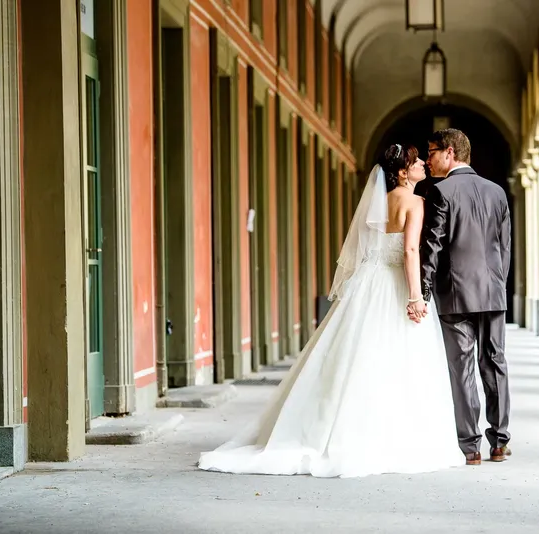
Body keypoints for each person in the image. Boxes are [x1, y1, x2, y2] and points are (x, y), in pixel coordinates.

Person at [198, 144, 465, 478]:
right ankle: (390, 436)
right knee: (399, 358)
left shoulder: (378, 204)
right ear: (401, 172)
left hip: (368, 284)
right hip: (396, 284)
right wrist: (415, 296)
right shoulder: (415, 203)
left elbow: (369, 249)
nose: (424, 163)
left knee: (356, 355)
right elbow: (411, 250)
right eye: (416, 162)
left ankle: (332, 428)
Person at [408, 128, 513, 466]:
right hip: (493, 292)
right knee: (495, 362)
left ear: (450, 152)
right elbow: (505, 246)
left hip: (455, 294)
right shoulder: (497, 192)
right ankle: (500, 440)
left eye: (432, 151)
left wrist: (421, 292)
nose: (428, 158)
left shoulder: (441, 192)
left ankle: (470, 446)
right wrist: (498, 283)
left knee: (463, 367)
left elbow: (433, 247)